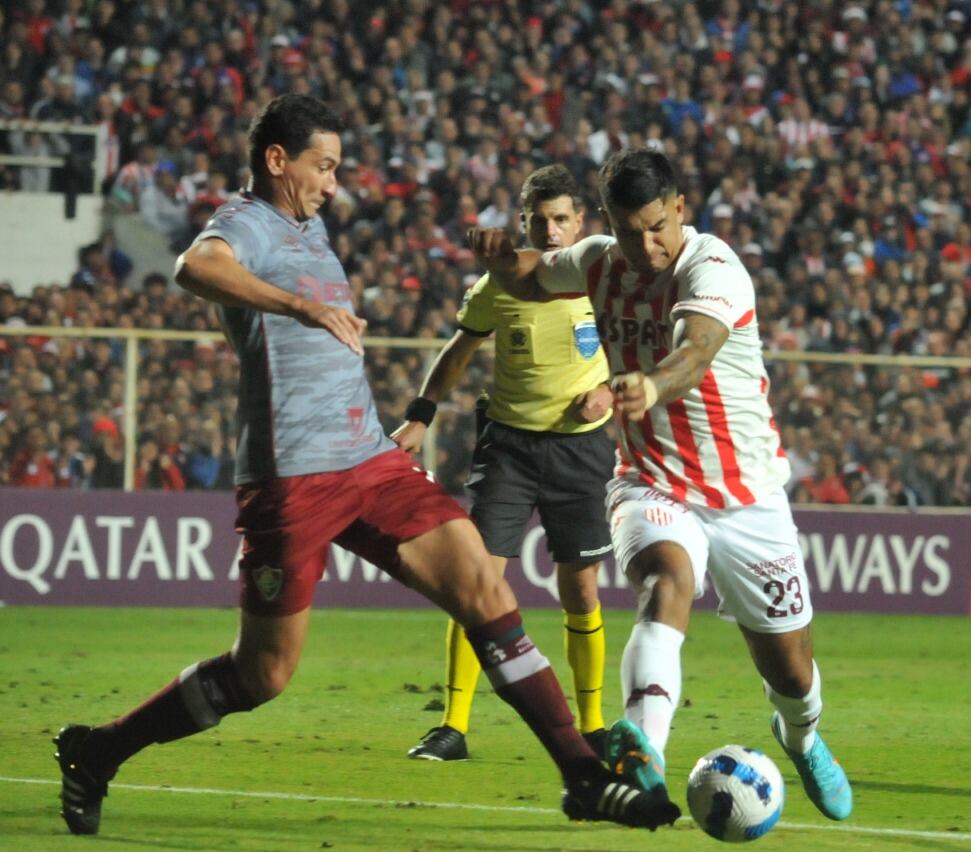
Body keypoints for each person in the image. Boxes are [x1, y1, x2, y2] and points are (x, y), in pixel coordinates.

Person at [52, 96, 678, 837]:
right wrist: (298, 307)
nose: (333, 184)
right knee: (263, 676)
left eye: (338, 168)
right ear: (277, 161)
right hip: (294, 476)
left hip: (371, 461)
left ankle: (580, 774)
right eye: (323, 166)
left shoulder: (306, 223)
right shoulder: (247, 222)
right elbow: (197, 266)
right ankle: (99, 753)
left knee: (483, 582)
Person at [467, 148, 852, 821]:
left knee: (790, 672)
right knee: (664, 583)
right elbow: (533, 276)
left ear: (680, 210)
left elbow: (695, 349)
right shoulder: (598, 260)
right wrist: (500, 254)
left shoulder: (713, 267)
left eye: (656, 228)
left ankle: (803, 737)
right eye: (627, 231)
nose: (644, 246)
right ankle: (645, 744)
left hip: (746, 495)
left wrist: (651, 383)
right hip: (651, 482)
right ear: (609, 223)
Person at [392, 164, 614, 761]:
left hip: (581, 449)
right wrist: (421, 413)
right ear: (523, 222)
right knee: (475, 583)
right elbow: (459, 348)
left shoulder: (602, 281)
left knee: (581, 590)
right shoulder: (499, 284)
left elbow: (643, 347)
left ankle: (592, 725)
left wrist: (613, 390)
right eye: (539, 221)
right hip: (510, 448)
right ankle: (454, 726)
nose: (550, 231)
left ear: (580, 223)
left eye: (561, 219)